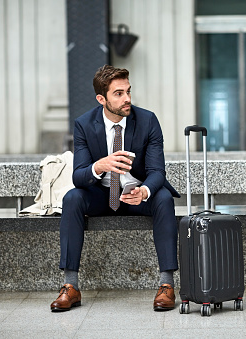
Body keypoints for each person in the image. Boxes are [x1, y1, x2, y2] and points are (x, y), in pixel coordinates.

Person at [50, 65, 180, 312]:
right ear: (102, 99)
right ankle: (70, 286)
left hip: (136, 195)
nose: (127, 98)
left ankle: (167, 285)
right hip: (102, 196)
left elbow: (156, 172)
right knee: (72, 198)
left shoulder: (147, 120)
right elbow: (79, 176)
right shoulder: (84, 125)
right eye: (118, 93)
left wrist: (144, 191)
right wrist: (99, 166)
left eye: (128, 91)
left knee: (162, 197)